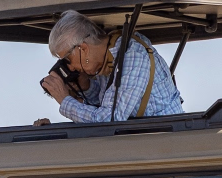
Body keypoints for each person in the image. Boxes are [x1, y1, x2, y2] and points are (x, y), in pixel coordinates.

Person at [39, 10, 184, 123]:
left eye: (67, 59)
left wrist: (65, 101)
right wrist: (86, 87)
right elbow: (109, 100)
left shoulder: (132, 57)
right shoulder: (108, 58)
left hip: (166, 141)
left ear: (83, 49)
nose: (69, 68)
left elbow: (110, 118)